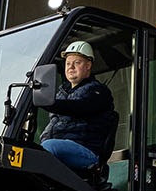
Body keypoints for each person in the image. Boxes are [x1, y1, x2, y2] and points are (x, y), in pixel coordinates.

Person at [39, 41, 117, 171]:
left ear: (88, 65)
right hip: (57, 147)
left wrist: (48, 102)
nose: (71, 67)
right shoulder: (61, 93)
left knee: (49, 148)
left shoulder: (98, 92)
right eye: (68, 63)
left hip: (86, 151)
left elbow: (78, 107)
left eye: (77, 63)